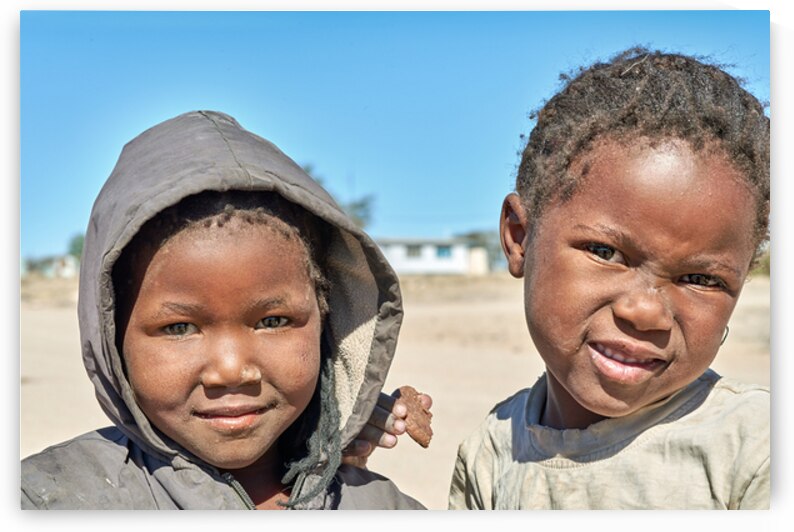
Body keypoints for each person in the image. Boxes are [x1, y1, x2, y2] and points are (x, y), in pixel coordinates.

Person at [21, 110, 427, 510]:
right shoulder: (46, 501)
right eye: (179, 328)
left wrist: (332, 438)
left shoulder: (386, 509)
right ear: (112, 339)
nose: (232, 370)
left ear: (327, 324)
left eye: (273, 321)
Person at [448, 47, 770, 510]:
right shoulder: (491, 453)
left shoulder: (756, 450)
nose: (646, 312)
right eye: (606, 252)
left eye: (700, 278)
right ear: (520, 238)